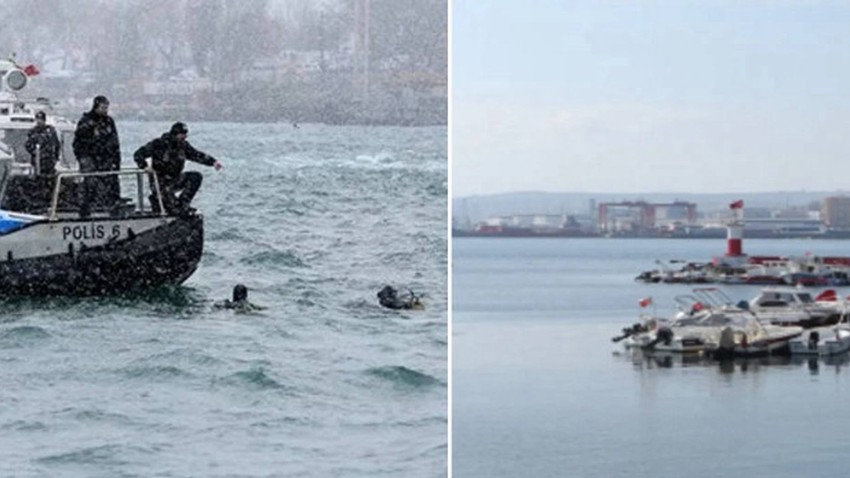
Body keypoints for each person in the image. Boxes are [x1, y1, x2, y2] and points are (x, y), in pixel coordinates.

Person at [133, 122, 223, 215]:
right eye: (182, 134)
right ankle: (162, 201)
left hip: (175, 180)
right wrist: (145, 166)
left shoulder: (183, 146)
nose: (185, 137)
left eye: (185, 134)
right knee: (172, 208)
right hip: (160, 183)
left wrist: (213, 162)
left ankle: (183, 204)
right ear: (175, 134)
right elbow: (138, 154)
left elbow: (196, 155)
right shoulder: (158, 144)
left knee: (195, 177)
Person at [72, 95, 121, 217]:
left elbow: (115, 143)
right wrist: (84, 159)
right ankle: (86, 211)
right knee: (90, 185)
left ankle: (111, 210)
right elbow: (78, 143)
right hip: (90, 159)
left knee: (110, 186)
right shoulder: (86, 122)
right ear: (96, 107)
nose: (105, 110)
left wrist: (116, 161)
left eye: (106, 108)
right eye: (103, 108)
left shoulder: (109, 122)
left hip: (106, 160)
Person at [25, 110, 61, 176]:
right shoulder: (33, 131)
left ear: (44, 120)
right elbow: (28, 145)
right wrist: (34, 151)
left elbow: (57, 145)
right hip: (37, 161)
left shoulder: (50, 131)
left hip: (49, 162)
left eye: (41, 119)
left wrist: (56, 158)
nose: (39, 121)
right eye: (37, 119)